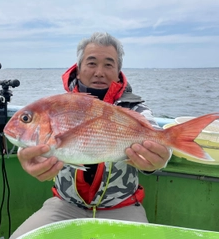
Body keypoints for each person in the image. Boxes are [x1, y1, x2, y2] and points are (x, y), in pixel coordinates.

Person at [10, 32, 172, 238]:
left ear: (118, 71)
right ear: (78, 70)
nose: (99, 72)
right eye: (92, 63)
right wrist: (28, 155)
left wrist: (161, 159)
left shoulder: (136, 110)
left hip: (122, 207)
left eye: (108, 65)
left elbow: (160, 141)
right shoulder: (57, 107)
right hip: (64, 205)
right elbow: (35, 144)